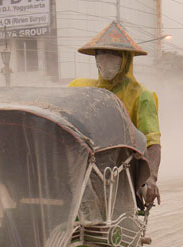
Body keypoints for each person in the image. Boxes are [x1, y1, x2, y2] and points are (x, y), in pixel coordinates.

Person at [69, 21, 161, 205]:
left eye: (113, 55)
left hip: (120, 175)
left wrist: (151, 178)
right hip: (82, 170)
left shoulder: (142, 96)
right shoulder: (80, 88)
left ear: (126, 59)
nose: (105, 59)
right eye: (101, 53)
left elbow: (152, 143)